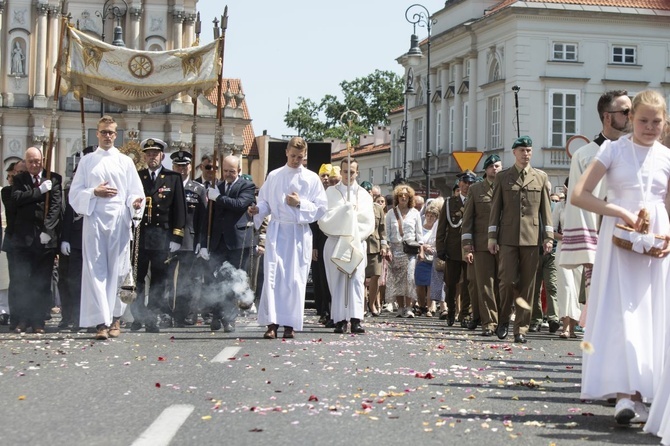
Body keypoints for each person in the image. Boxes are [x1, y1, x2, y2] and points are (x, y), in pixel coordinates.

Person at [571, 90, 670, 426]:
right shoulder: (612, 150)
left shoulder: (667, 157)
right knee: (621, 311)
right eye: (642, 120)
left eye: (657, 122)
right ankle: (625, 395)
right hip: (618, 239)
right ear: (630, 119)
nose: (650, 127)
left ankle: (644, 393)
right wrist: (616, 210)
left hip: (656, 245)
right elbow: (579, 194)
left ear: (664, 122)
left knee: (652, 314)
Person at [68, 116, 144, 339]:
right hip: (94, 220)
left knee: (119, 271)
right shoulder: (87, 161)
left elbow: (135, 192)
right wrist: (93, 192)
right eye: (104, 132)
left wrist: (135, 203)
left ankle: (116, 320)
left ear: (116, 135)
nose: (108, 136)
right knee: (96, 270)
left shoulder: (125, 162)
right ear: (97, 134)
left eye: (111, 132)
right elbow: (74, 194)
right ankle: (101, 322)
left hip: (119, 220)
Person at [248, 137, 328, 339]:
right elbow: (265, 201)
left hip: (298, 233)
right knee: (274, 276)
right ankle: (272, 323)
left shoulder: (311, 179)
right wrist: (258, 209)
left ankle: (290, 324)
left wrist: (300, 203)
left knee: (294, 279)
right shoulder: (274, 176)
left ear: (305, 155)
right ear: (286, 152)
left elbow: (321, 208)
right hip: (277, 231)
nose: (295, 160)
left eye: (300, 157)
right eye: (293, 156)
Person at [558, 90, 632, 307]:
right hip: (603, 237)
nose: (631, 116)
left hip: (635, 236)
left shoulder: (638, 152)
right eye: (625, 111)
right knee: (602, 307)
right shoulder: (586, 155)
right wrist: (589, 250)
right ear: (607, 117)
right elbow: (579, 205)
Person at [488, 136, 554, 344]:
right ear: (514, 152)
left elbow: (546, 211)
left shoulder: (540, 177)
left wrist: (548, 237)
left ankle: (521, 329)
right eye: (522, 150)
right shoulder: (503, 177)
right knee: (506, 281)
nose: (526, 154)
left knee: (528, 285)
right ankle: (504, 319)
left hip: (532, 239)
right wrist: (492, 236)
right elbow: (495, 209)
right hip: (507, 238)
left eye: (529, 150)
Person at [131, 138, 186, 333]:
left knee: (158, 280)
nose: (152, 157)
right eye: (148, 153)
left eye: (155, 153)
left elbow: (180, 209)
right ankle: (138, 316)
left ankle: (152, 317)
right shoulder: (138, 176)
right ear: (144, 156)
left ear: (162, 155)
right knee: (137, 279)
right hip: (141, 235)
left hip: (162, 236)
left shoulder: (173, 178)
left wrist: (177, 237)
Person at [198, 155, 256, 332]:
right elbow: (207, 218)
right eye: (225, 171)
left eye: (232, 171)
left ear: (239, 170)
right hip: (217, 242)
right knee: (215, 280)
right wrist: (203, 244)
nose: (228, 174)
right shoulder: (217, 187)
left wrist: (219, 198)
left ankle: (229, 318)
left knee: (234, 280)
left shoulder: (246, 186)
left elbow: (239, 204)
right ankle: (216, 315)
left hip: (238, 242)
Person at [10, 147, 62, 334]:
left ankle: (38, 319)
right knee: (23, 281)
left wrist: (48, 230)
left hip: (45, 239)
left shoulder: (54, 178)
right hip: (24, 239)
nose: (34, 165)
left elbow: (55, 207)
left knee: (41, 282)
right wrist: (39, 191)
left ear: (43, 160)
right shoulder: (20, 179)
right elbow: (17, 199)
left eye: (37, 161)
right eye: (30, 161)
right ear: (26, 162)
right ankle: (23, 319)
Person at [319, 158, 374, 334]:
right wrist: (345, 213)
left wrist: (352, 227)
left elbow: (368, 221)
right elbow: (324, 218)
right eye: (345, 171)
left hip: (356, 242)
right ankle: (340, 319)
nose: (348, 175)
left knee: (356, 281)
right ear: (340, 171)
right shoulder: (330, 193)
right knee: (337, 282)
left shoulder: (364, 194)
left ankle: (356, 318)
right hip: (336, 242)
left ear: (357, 172)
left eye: (352, 172)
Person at [461, 154, 502, 337]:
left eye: (498, 165)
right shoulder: (476, 189)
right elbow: (468, 218)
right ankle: (489, 322)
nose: (496, 168)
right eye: (492, 166)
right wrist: (467, 243)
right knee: (485, 284)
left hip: (505, 243)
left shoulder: (507, 186)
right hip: (482, 243)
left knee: (505, 284)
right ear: (486, 169)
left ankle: (502, 320)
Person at [168, 150, 206, 327]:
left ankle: (189, 313)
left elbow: (202, 219)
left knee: (190, 279)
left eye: (185, 166)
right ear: (173, 167)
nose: (182, 169)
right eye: (178, 166)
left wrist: (201, 241)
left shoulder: (198, 189)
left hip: (190, 241)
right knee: (169, 279)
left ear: (190, 167)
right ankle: (171, 313)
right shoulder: (166, 186)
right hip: (169, 240)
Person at [436, 170, 476, 327]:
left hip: (471, 249)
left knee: (469, 283)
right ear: (459, 184)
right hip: (452, 249)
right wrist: (440, 248)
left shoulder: (476, 201)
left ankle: (465, 314)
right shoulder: (449, 203)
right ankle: (451, 310)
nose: (467, 186)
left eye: (471, 183)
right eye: (465, 182)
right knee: (451, 283)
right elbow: (441, 228)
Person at [385, 184, 423, 318]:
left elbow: (419, 234)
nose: (403, 198)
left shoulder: (415, 213)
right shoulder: (391, 213)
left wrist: (421, 250)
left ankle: (409, 307)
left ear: (410, 198)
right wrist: (387, 248)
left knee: (410, 278)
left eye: (405, 196)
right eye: (400, 195)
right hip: (395, 249)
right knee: (397, 280)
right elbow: (387, 233)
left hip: (410, 250)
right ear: (397, 197)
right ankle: (400, 308)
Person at [552, 178, 581, 339]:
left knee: (577, 289)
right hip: (564, 251)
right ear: (565, 188)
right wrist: (564, 237)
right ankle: (565, 327)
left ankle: (573, 327)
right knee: (567, 288)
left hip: (581, 252)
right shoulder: (559, 206)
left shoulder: (585, 206)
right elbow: (551, 230)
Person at [1, 161, 25, 326]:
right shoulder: (6, 191)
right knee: (8, 280)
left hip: (25, 239)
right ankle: (7, 312)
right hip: (10, 238)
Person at [312, 163, 334, 326]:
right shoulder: (315, 194)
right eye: (323, 176)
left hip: (333, 239)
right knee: (321, 278)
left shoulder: (336, 194)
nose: (326, 179)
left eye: (328, 176)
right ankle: (324, 310)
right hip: (319, 242)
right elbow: (313, 222)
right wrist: (313, 246)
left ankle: (334, 310)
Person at [361, 181, 387, 317]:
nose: (367, 194)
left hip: (375, 246)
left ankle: (372, 304)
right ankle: (363, 305)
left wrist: (384, 246)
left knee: (376, 277)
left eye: (369, 192)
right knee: (361, 278)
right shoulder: (357, 207)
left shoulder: (378, 209)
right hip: (361, 245)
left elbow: (382, 229)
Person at [416, 199, 439, 316]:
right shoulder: (420, 227)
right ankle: (421, 305)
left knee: (430, 283)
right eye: (428, 215)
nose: (430, 218)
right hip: (422, 258)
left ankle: (430, 307)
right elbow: (418, 241)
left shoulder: (437, 228)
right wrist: (424, 246)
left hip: (433, 258)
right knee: (420, 283)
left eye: (432, 216)